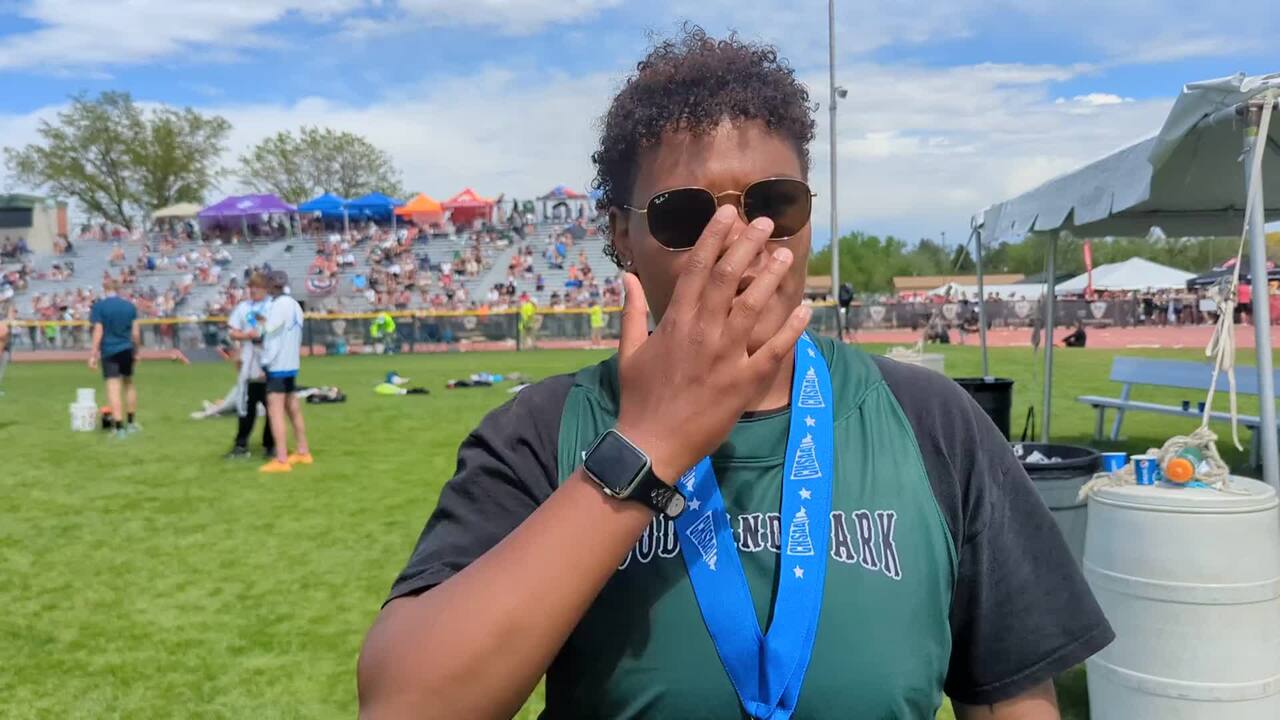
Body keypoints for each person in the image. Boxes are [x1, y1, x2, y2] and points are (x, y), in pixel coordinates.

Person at [358, 27, 1111, 720]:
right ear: (622, 236)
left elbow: (1012, 700)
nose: (737, 244)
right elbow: (405, 704)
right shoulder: (545, 430)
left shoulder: (930, 420)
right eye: (684, 216)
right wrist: (646, 446)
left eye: (773, 204)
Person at [257, 271, 311, 473]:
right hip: (291, 363)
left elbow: (270, 333)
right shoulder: (295, 305)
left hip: (277, 365)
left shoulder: (277, 306)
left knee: (276, 411)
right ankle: (303, 450)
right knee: (293, 408)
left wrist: (264, 363)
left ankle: (281, 459)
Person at [224, 272, 274, 459]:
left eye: (257, 287)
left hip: (269, 364)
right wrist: (246, 336)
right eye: (251, 287)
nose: (253, 290)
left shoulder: (273, 307)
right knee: (245, 406)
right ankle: (241, 444)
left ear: (266, 289)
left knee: (272, 407)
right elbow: (232, 332)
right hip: (248, 364)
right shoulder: (243, 307)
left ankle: (270, 445)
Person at [88, 279, 140, 437]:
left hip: (109, 350)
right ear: (119, 289)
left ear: (104, 289)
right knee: (128, 384)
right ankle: (131, 423)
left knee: (113, 387)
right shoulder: (130, 306)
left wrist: (93, 354)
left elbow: (98, 331)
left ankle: (119, 427)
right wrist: (136, 351)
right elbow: (135, 333)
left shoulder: (99, 307)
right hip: (126, 349)